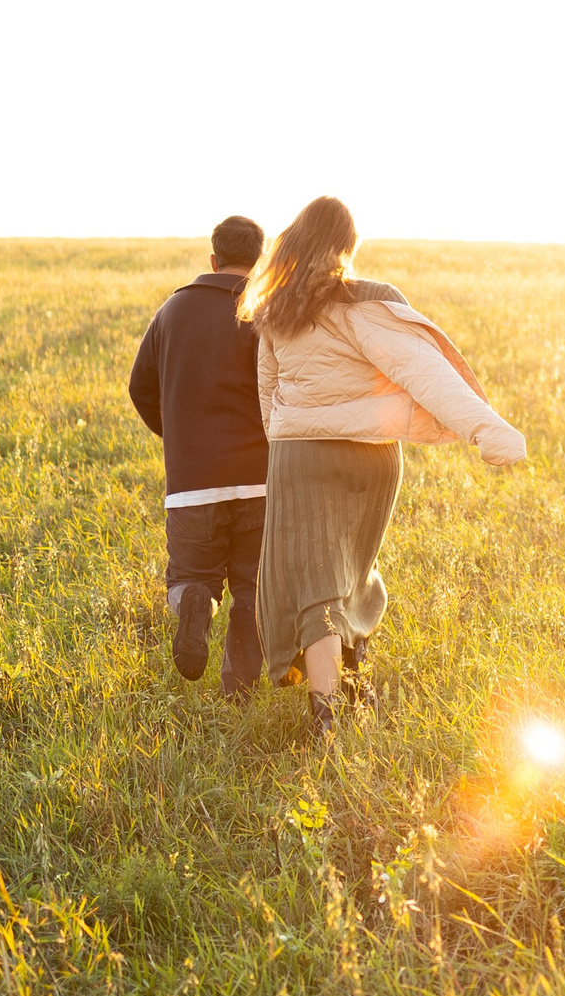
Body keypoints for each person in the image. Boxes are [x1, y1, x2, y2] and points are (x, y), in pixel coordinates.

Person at [240, 195, 526, 733]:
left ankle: (327, 714)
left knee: (314, 584)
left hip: (301, 458)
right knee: (350, 572)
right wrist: (487, 429)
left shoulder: (274, 309)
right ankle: (354, 682)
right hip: (371, 460)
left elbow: (268, 394)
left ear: (295, 243)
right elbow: (426, 372)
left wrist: (285, 444)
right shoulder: (367, 306)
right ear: (346, 247)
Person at [127, 216, 270, 694]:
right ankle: (240, 691)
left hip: (191, 484)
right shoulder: (264, 312)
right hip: (260, 480)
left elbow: (139, 386)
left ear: (212, 258)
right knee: (251, 589)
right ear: (260, 260)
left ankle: (194, 602)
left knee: (191, 578)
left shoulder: (173, 309)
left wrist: (180, 438)